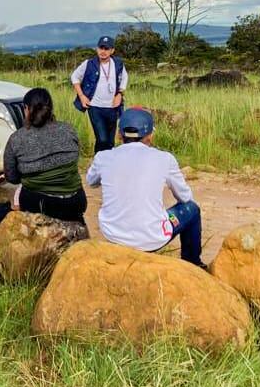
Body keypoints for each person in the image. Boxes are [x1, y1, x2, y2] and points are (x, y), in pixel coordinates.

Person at [85, 107, 206, 268]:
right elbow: (185, 197)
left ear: (119, 134)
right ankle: (193, 264)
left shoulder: (103, 157)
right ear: (150, 135)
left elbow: (91, 181)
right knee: (192, 209)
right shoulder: (164, 159)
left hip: (113, 234)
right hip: (151, 238)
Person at [0, 87, 87, 224]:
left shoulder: (17, 138)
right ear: (50, 109)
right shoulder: (69, 130)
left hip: (39, 204)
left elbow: (12, 178)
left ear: (27, 109)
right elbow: (74, 159)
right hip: (75, 202)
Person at [71, 35, 128, 154]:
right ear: (97, 49)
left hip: (112, 107)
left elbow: (124, 79)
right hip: (95, 107)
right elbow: (74, 77)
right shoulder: (89, 64)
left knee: (110, 141)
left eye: (106, 49)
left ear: (112, 50)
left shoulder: (118, 64)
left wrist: (120, 94)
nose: (103, 51)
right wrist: (82, 96)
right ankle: (99, 163)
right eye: (101, 48)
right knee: (102, 139)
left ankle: (107, 166)